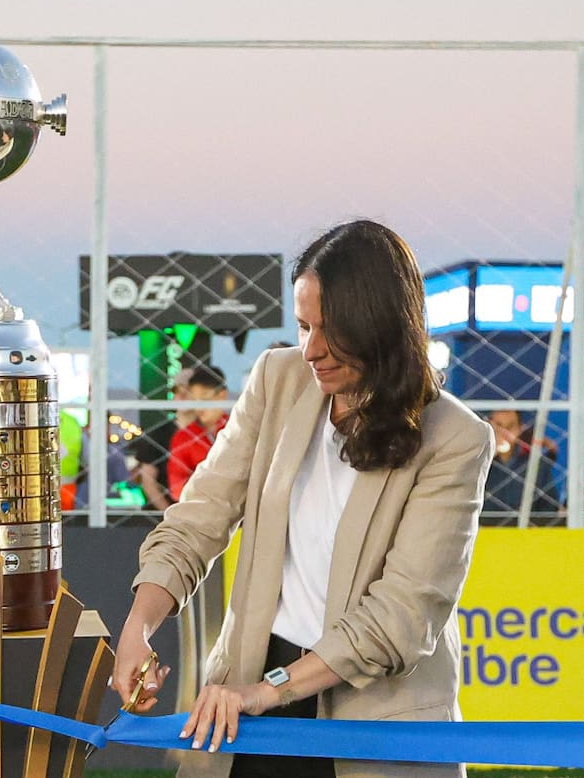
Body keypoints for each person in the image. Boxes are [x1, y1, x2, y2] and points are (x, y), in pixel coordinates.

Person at [113, 220, 494, 778]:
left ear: (381, 327)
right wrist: (137, 629)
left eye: (330, 331)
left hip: (369, 722)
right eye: (302, 326)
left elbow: (402, 619)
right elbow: (198, 519)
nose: (311, 350)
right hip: (245, 710)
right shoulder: (278, 378)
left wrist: (270, 692)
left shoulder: (456, 437)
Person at [130, 370, 202, 510]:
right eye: (177, 391)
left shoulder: (212, 433)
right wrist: (169, 517)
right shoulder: (157, 434)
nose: (181, 396)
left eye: (187, 391)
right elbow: (148, 482)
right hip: (164, 514)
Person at [481, 408, 561, 526]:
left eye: (510, 427)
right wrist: (489, 457)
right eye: (498, 426)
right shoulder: (476, 460)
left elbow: (550, 507)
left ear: (519, 429)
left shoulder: (536, 465)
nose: (504, 432)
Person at [167, 365, 231, 501]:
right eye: (195, 400)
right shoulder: (183, 437)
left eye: (205, 399)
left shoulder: (237, 429)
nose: (199, 406)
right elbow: (177, 487)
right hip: (199, 509)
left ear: (222, 395)